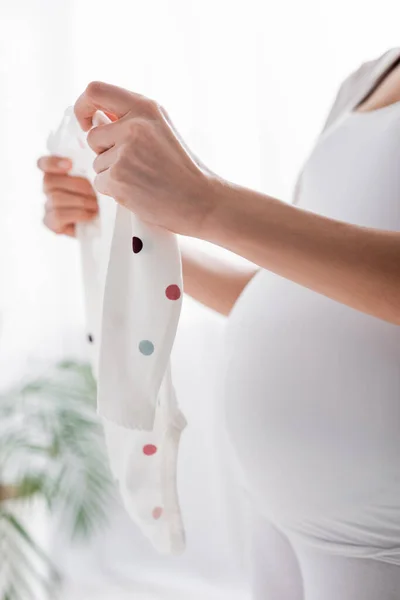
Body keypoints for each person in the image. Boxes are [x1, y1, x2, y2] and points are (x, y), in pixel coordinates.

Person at [38, 47, 400, 599]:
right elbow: (296, 290)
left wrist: (205, 201)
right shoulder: (370, 77)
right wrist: (131, 224)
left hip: (378, 532)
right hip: (283, 512)